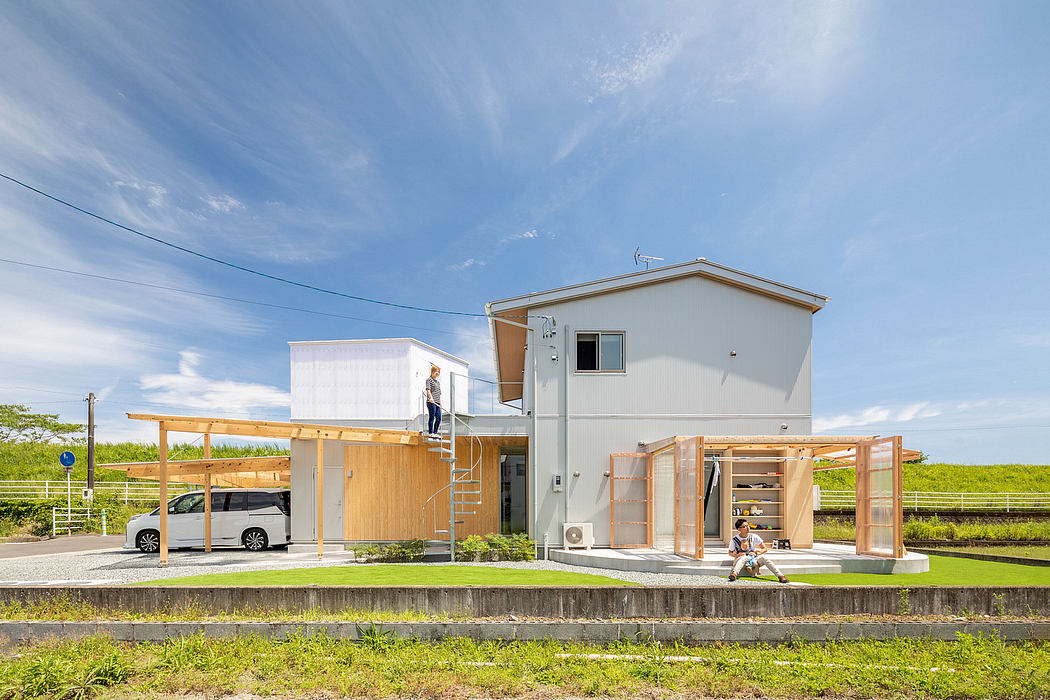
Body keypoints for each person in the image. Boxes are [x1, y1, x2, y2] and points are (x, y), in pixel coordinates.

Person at [728, 519, 789, 583]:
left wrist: (757, 553)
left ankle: (780, 576)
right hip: (740, 561)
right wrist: (737, 555)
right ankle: (734, 574)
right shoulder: (734, 539)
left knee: (764, 558)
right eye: (744, 526)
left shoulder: (754, 536)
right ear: (739, 529)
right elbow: (730, 553)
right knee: (744, 557)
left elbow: (764, 548)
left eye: (748, 525)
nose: (747, 527)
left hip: (753, 561)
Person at [424, 365, 442, 437]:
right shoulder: (429, 380)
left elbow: (439, 393)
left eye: (438, 372)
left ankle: (435, 433)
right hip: (431, 402)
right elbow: (428, 389)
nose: (437, 373)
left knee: (439, 418)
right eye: (436, 371)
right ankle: (430, 433)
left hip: (437, 402)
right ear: (432, 372)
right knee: (432, 417)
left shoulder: (438, 382)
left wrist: (440, 403)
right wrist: (431, 398)